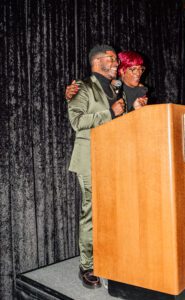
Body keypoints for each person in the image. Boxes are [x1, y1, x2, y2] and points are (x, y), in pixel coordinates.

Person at [68, 44, 124, 289]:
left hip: (115, 158)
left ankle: (111, 256)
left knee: (113, 211)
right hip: (90, 159)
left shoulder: (115, 88)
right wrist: (110, 113)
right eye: (112, 60)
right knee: (91, 213)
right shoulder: (82, 88)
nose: (116, 64)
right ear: (98, 60)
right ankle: (87, 265)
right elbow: (77, 121)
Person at [65, 51, 148, 111]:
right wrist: (71, 96)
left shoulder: (141, 91)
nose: (139, 73)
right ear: (122, 71)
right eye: (133, 69)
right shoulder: (111, 88)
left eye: (141, 69)